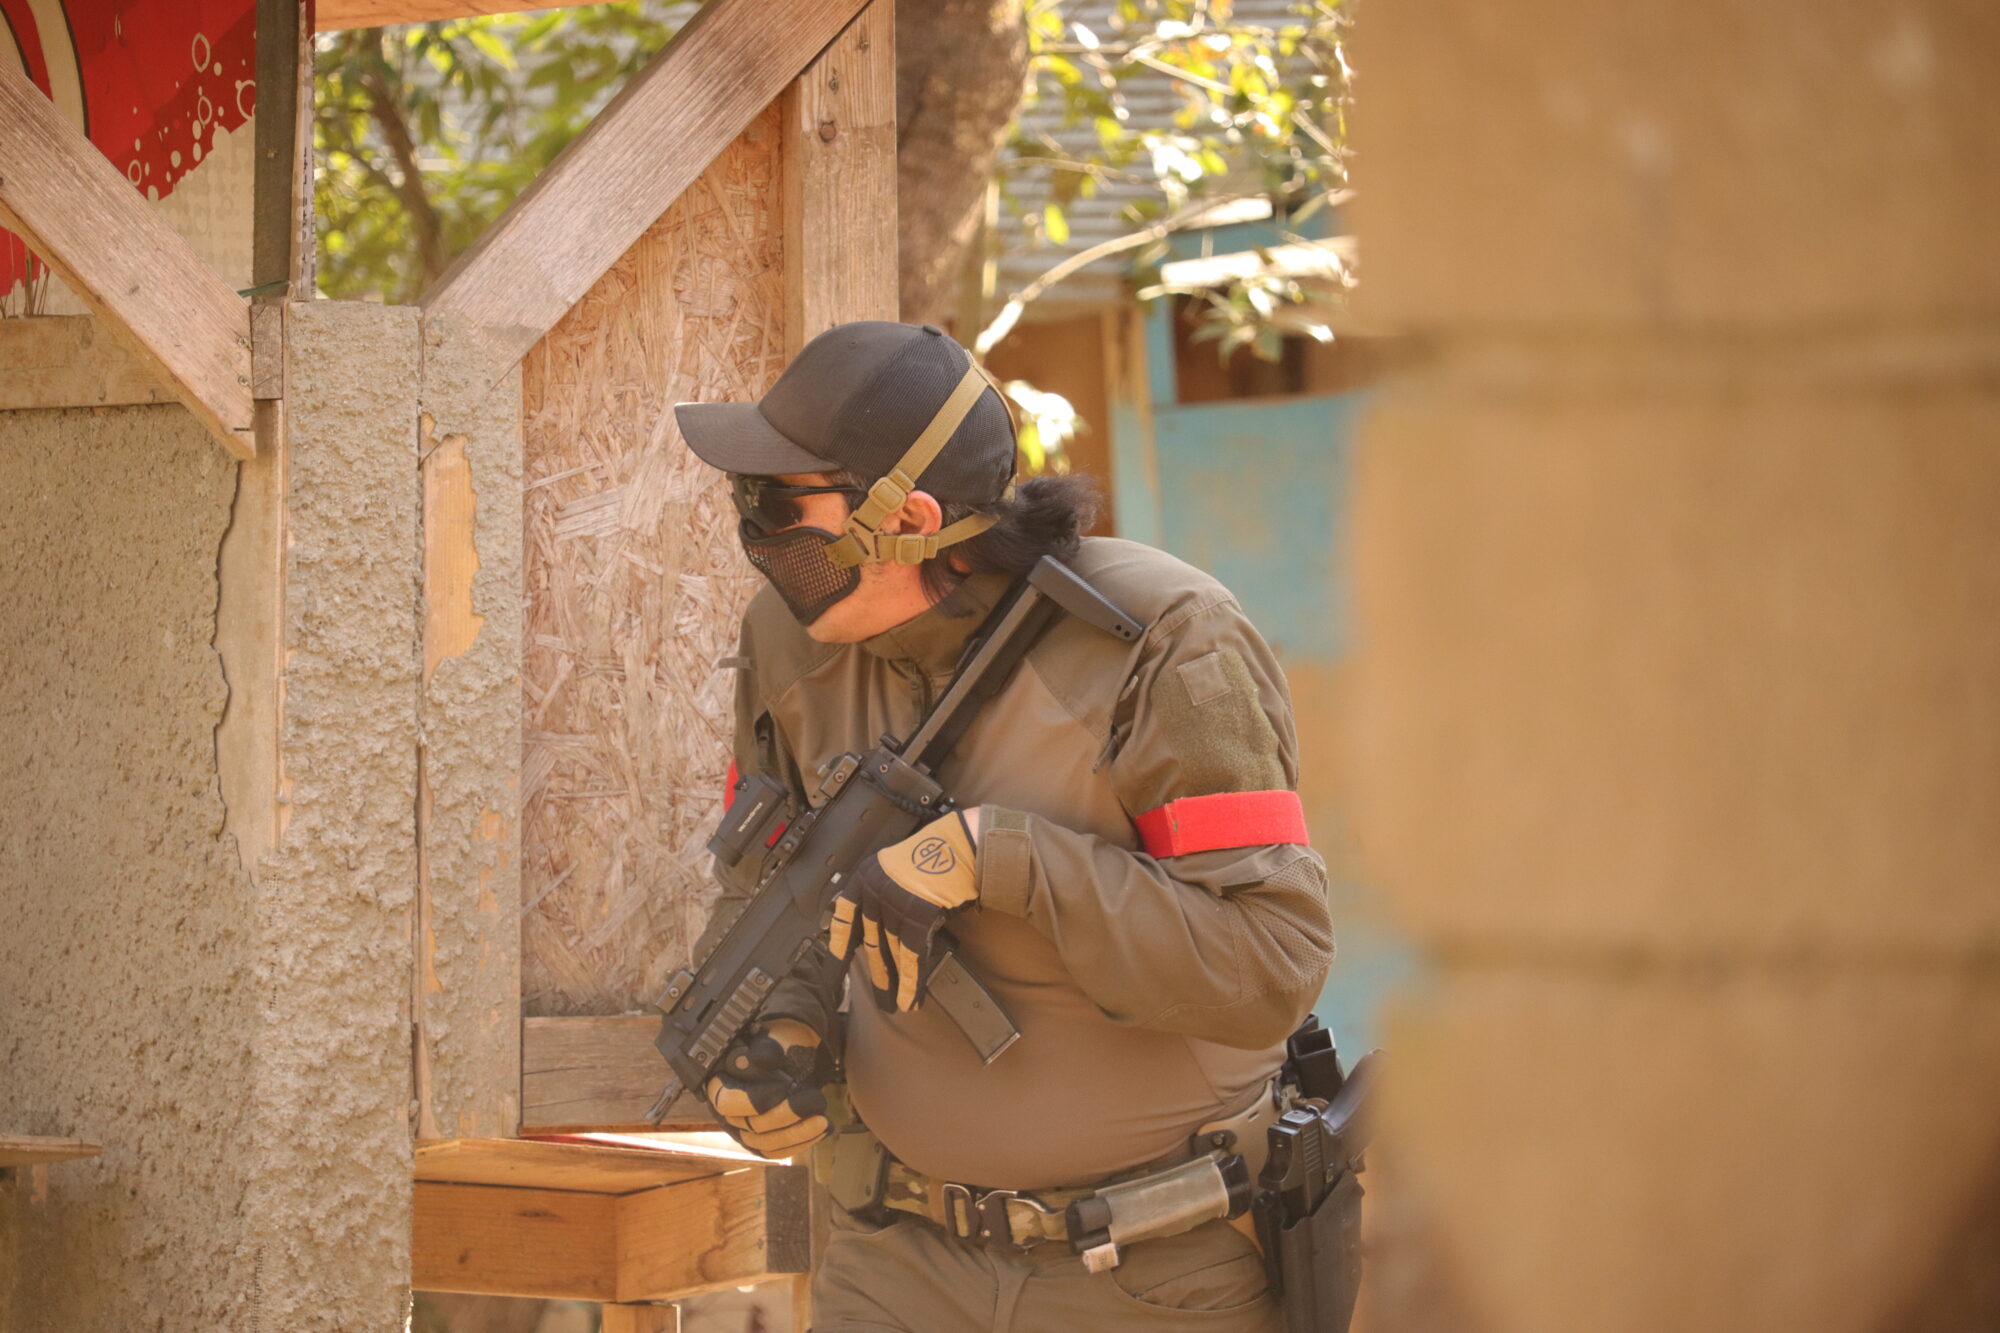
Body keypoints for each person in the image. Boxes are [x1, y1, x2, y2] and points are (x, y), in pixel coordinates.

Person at [674, 319, 1334, 1332]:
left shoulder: (1163, 638)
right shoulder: (788, 642)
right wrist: (779, 1033)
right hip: (893, 1264)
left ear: (908, 519)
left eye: (776, 501)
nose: (750, 526)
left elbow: (1268, 964)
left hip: (1150, 1275)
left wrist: (1001, 858)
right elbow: (769, 891)